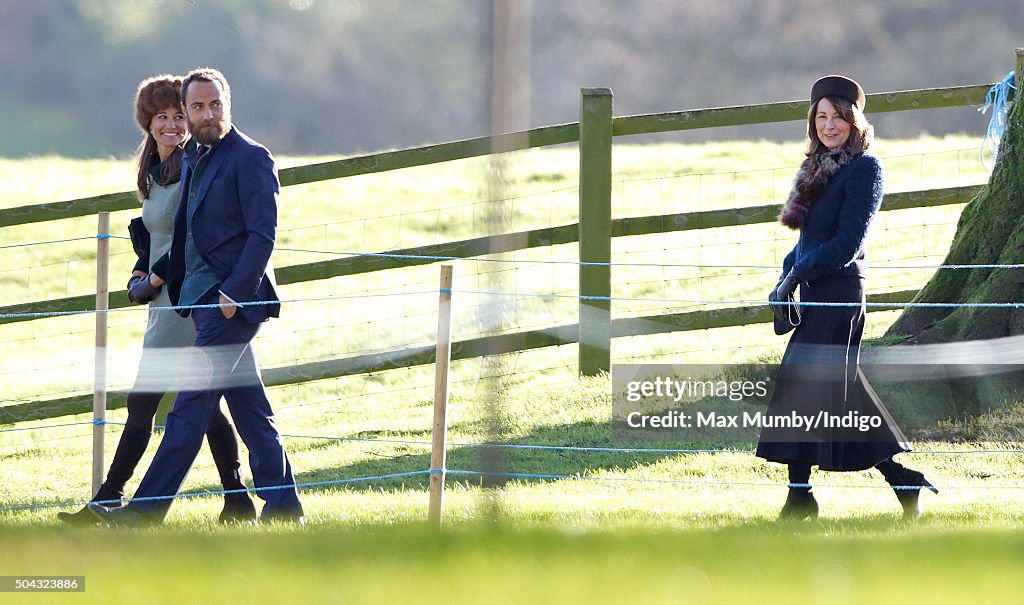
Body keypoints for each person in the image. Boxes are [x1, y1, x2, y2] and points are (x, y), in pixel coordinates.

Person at [88, 67, 304, 526]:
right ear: (187, 112)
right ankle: (285, 509)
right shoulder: (194, 158)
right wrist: (159, 283)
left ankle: (142, 515)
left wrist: (232, 296)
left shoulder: (251, 157)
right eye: (198, 107)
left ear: (228, 103)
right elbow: (184, 233)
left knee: (187, 412)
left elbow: (263, 235)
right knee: (251, 411)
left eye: (215, 104)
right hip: (200, 302)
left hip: (232, 305)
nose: (208, 114)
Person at [59, 75, 255, 525]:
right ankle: (237, 498)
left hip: (185, 298)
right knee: (203, 405)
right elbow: (156, 237)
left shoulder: (194, 167)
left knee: (146, 401)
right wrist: (140, 273)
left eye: (178, 115)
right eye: (161, 117)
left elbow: (195, 235)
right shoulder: (158, 170)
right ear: (147, 123)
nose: (171, 125)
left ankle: (108, 498)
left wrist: (157, 277)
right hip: (164, 299)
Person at [759, 75, 937, 521]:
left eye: (837, 116)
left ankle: (799, 500)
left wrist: (797, 275)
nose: (828, 124)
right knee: (841, 392)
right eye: (821, 116)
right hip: (816, 287)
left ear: (854, 120)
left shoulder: (866, 169)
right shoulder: (815, 166)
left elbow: (847, 243)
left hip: (839, 293)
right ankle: (903, 480)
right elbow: (807, 241)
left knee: (803, 386)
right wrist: (785, 278)